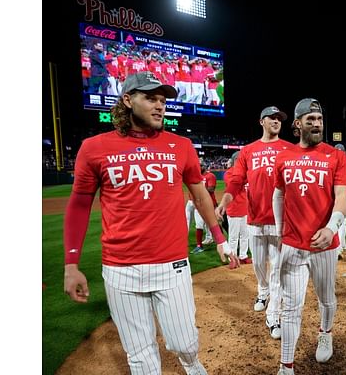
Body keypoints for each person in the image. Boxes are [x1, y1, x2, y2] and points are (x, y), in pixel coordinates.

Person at [63, 71, 240, 375]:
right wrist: (71, 264)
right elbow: (79, 205)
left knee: (184, 342)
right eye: (150, 98)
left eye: (162, 100)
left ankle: (191, 364)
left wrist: (220, 239)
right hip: (120, 269)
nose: (159, 106)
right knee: (140, 356)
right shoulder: (94, 148)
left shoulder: (181, 145)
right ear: (128, 100)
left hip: (171, 264)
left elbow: (200, 196)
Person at [273, 98, 346, 375]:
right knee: (291, 306)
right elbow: (279, 194)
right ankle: (286, 365)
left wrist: (332, 227)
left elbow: (344, 195)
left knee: (326, 298)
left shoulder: (336, 155)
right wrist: (281, 231)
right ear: (297, 124)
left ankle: (326, 332)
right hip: (293, 244)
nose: (317, 124)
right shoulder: (283, 156)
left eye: (319, 119)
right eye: (311, 119)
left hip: (325, 244)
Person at [216, 105, 293, 339]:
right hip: (256, 220)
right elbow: (236, 181)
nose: (277, 121)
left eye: (279, 118)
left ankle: (274, 315)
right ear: (262, 121)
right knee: (260, 265)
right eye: (272, 118)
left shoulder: (290, 149)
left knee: (278, 270)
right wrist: (224, 202)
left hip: (282, 222)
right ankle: (262, 291)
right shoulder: (248, 151)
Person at [224, 151, 252, 264]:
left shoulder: (246, 172)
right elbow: (235, 183)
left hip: (245, 209)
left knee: (245, 235)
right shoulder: (229, 173)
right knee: (234, 237)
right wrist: (249, 175)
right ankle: (233, 258)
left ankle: (243, 256)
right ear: (236, 160)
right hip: (234, 209)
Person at [186, 166, 218, 253]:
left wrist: (198, 191)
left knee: (202, 224)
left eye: (200, 165)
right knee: (187, 221)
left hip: (201, 202)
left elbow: (211, 189)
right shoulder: (193, 175)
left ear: (204, 166)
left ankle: (200, 245)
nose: (199, 167)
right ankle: (183, 241)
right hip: (191, 201)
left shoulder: (210, 176)